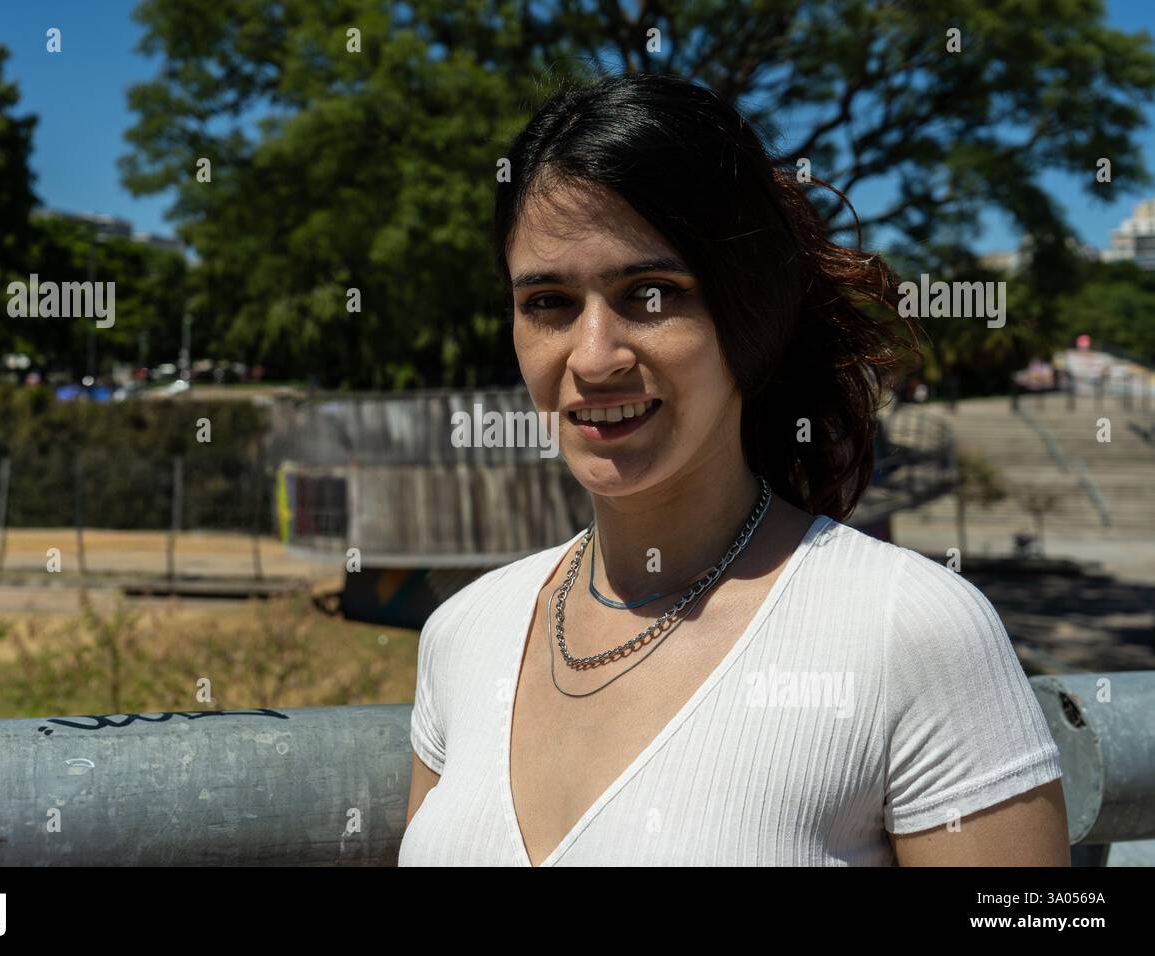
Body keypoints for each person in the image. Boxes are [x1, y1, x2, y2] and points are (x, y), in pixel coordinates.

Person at [399, 73, 1068, 866]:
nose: (594, 356)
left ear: (744, 310)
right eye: (548, 302)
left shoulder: (914, 632)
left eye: (650, 293)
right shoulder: (461, 635)